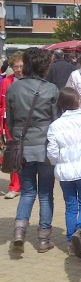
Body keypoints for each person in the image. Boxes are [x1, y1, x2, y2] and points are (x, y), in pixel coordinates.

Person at [7, 48, 59, 253]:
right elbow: (56, 121)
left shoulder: (13, 88)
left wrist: (18, 137)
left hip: (22, 147)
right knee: (46, 194)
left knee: (27, 192)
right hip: (45, 146)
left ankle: (19, 232)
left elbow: (10, 122)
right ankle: (44, 240)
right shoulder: (52, 89)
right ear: (44, 66)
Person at [46, 87, 81, 258]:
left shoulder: (54, 126)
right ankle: (80, 229)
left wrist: (57, 163)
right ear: (77, 101)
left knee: (71, 207)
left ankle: (70, 242)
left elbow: (51, 152)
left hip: (65, 173)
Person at [0, 51, 24, 199]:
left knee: (28, 155)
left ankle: (28, 186)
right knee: (13, 155)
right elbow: (2, 103)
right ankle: (14, 186)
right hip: (11, 122)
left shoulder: (31, 80)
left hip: (30, 123)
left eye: (21, 66)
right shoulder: (7, 81)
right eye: (16, 66)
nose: (19, 69)